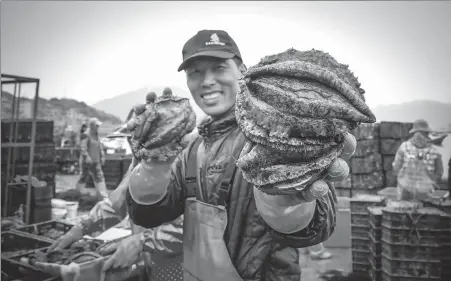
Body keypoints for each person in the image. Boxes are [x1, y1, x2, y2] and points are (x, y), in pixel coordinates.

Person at [101, 30, 354, 280]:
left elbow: (316, 229)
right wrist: (154, 163)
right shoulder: (191, 147)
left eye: (219, 68)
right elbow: (150, 214)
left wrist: (287, 200)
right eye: (195, 72)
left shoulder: (278, 135)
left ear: (242, 71)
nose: (207, 80)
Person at [393, 119, 444, 201]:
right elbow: (439, 172)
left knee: (403, 211)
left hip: (405, 190)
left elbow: (396, 168)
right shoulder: (434, 150)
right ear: (427, 133)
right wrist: (432, 183)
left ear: (413, 132)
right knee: (424, 212)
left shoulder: (404, 146)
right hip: (425, 191)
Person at [75, 117, 108, 200]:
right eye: (96, 125)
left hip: (96, 161)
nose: (98, 127)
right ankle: (77, 193)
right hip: (87, 161)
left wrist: (102, 156)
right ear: (92, 125)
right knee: (83, 177)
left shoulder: (96, 135)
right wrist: (87, 157)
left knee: (99, 177)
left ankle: (103, 197)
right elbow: (83, 147)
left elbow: (99, 147)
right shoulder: (86, 134)